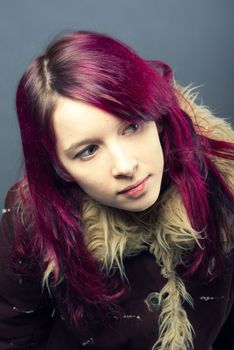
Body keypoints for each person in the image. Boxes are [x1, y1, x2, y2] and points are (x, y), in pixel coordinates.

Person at [0, 30, 233, 350]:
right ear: (60, 166)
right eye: (88, 150)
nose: (125, 165)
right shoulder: (29, 217)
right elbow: (14, 338)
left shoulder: (223, 179)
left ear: (157, 118)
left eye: (132, 126)